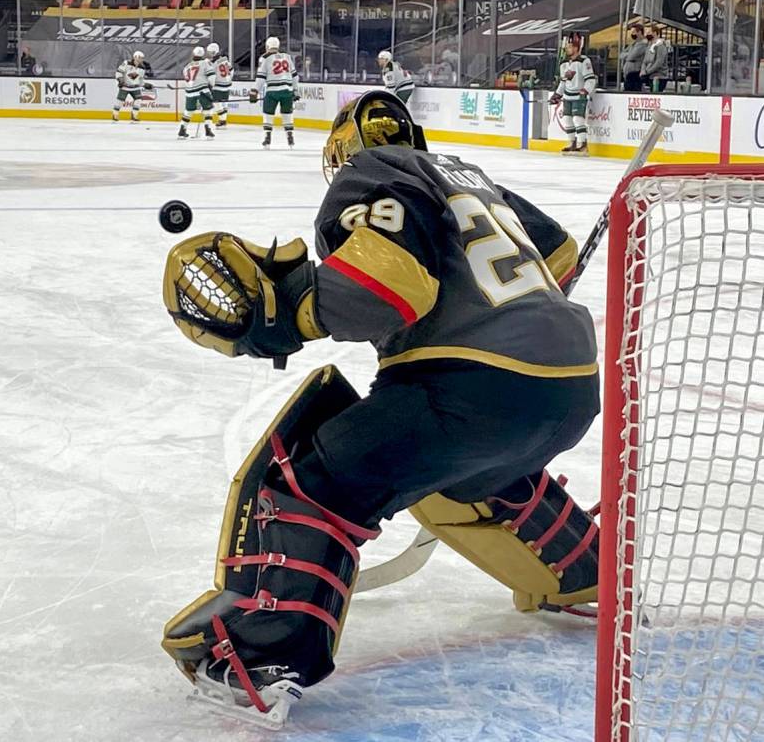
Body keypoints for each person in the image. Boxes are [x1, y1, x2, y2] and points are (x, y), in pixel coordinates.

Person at [161, 90, 601, 726]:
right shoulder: (471, 178)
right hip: (568, 385)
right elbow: (558, 257)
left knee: (314, 479)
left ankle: (262, 654)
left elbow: (382, 289)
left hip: (468, 387)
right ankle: (579, 569)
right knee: (464, 479)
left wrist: (285, 310)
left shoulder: (372, 174)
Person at [550, 33, 597, 156]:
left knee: (578, 119)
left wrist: (585, 90)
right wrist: (557, 95)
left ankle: (582, 144)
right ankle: (572, 143)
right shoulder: (564, 63)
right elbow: (563, 82)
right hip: (567, 96)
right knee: (567, 120)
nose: (567, 48)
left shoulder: (584, 61)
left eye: (570, 46)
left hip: (579, 96)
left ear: (576, 48)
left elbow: (590, 79)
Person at [249, 36, 299, 149]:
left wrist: (254, 91)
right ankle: (290, 137)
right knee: (287, 115)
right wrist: (296, 91)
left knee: (268, 114)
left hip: (272, 91)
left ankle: (267, 138)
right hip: (287, 91)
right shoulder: (287, 57)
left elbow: (261, 78)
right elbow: (295, 76)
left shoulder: (265, 58)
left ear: (267, 46)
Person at [177, 46, 216, 139]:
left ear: (193, 54)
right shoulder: (205, 63)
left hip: (190, 91)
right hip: (202, 90)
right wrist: (210, 87)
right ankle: (208, 130)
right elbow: (212, 77)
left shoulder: (187, 67)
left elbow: (188, 79)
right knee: (208, 110)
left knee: (188, 111)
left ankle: (182, 131)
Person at [112, 50, 151, 122]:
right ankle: (115, 114)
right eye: (141, 58)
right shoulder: (126, 63)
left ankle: (134, 115)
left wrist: (145, 85)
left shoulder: (142, 68)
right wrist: (120, 80)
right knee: (120, 100)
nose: (142, 60)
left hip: (135, 87)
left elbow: (140, 80)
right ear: (136, 57)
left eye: (142, 58)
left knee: (138, 100)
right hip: (125, 86)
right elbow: (119, 72)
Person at [206, 42, 234, 127]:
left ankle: (222, 120)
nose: (209, 54)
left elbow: (211, 75)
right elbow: (232, 70)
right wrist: (228, 79)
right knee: (224, 103)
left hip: (218, 85)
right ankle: (223, 120)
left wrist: (210, 84)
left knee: (216, 102)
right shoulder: (225, 59)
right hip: (227, 84)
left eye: (210, 52)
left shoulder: (212, 63)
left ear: (213, 52)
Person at [640, 24, 669, 92]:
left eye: (649, 32)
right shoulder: (649, 45)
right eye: (646, 32)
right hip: (649, 75)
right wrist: (643, 70)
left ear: (655, 33)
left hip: (659, 76)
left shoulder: (660, 46)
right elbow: (645, 60)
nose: (646, 34)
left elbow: (659, 62)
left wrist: (647, 71)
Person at [620, 23, 648, 92]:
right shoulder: (633, 43)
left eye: (634, 32)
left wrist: (627, 55)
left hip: (635, 73)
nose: (632, 34)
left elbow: (632, 56)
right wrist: (628, 54)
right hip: (628, 74)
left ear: (640, 32)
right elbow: (621, 55)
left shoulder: (642, 44)